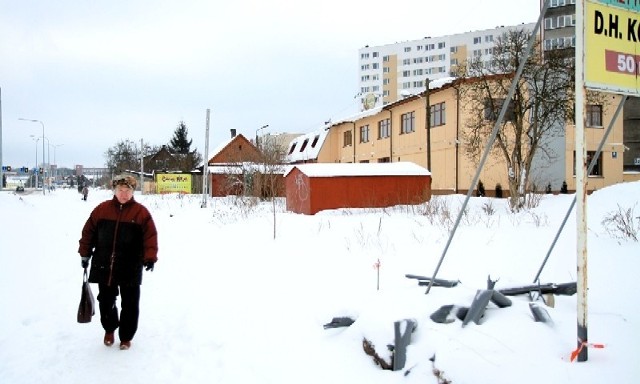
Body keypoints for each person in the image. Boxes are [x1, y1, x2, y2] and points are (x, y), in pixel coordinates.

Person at [78, 175, 158, 350]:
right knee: (106, 301)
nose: (124, 194)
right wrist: (85, 253)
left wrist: (150, 257)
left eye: (127, 190)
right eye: (120, 190)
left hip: (131, 266)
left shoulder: (141, 213)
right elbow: (88, 232)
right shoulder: (102, 210)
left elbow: (150, 237)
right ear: (114, 191)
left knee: (130, 304)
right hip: (104, 265)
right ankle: (109, 329)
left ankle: (126, 336)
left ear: (132, 192)